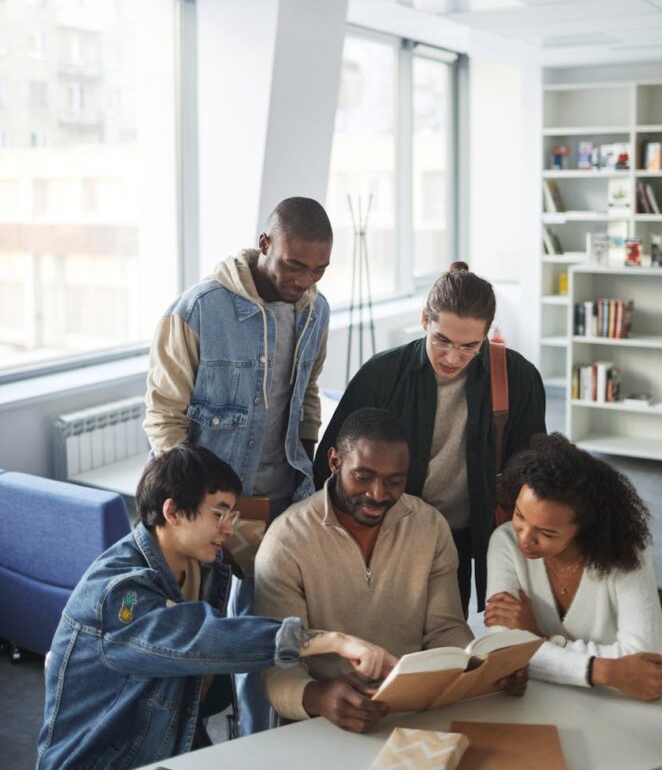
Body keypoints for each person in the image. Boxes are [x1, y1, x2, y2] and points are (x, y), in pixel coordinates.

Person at [37, 445, 394, 770]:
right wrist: (330, 641)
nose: (228, 529)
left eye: (231, 516)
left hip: (170, 750)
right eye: (219, 515)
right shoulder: (122, 596)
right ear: (173, 512)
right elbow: (204, 637)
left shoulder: (204, 568)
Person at [144, 196, 333, 733]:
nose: (305, 279)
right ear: (265, 243)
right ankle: (190, 743)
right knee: (194, 642)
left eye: (318, 269)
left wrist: (312, 459)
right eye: (295, 264)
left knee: (264, 634)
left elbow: (309, 393)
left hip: (281, 498)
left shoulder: (317, 310)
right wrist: (188, 505)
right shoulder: (198, 309)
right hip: (207, 504)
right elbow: (164, 415)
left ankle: (257, 745)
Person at [256, 408, 526, 733]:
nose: (378, 494)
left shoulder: (429, 527)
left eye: (394, 481)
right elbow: (278, 661)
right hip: (322, 722)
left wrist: (482, 669)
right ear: (334, 462)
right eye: (363, 477)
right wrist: (317, 696)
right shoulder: (286, 541)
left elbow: (444, 629)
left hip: (413, 713)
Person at [313, 261, 546, 613]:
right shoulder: (382, 374)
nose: (453, 357)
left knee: (472, 631)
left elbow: (534, 473)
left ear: (487, 334)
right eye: (442, 340)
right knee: (402, 632)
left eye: (470, 346)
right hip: (396, 534)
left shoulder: (518, 377)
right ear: (425, 320)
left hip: (479, 530)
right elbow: (329, 466)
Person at [484, 433, 662, 701]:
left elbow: (646, 662)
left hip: (613, 709)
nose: (524, 538)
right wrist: (604, 671)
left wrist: (539, 639)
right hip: (538, 701)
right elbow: (502, 649)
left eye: (546, 533)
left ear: (584, 528)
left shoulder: (627, 553)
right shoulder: (505, 542)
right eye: (519, 515)